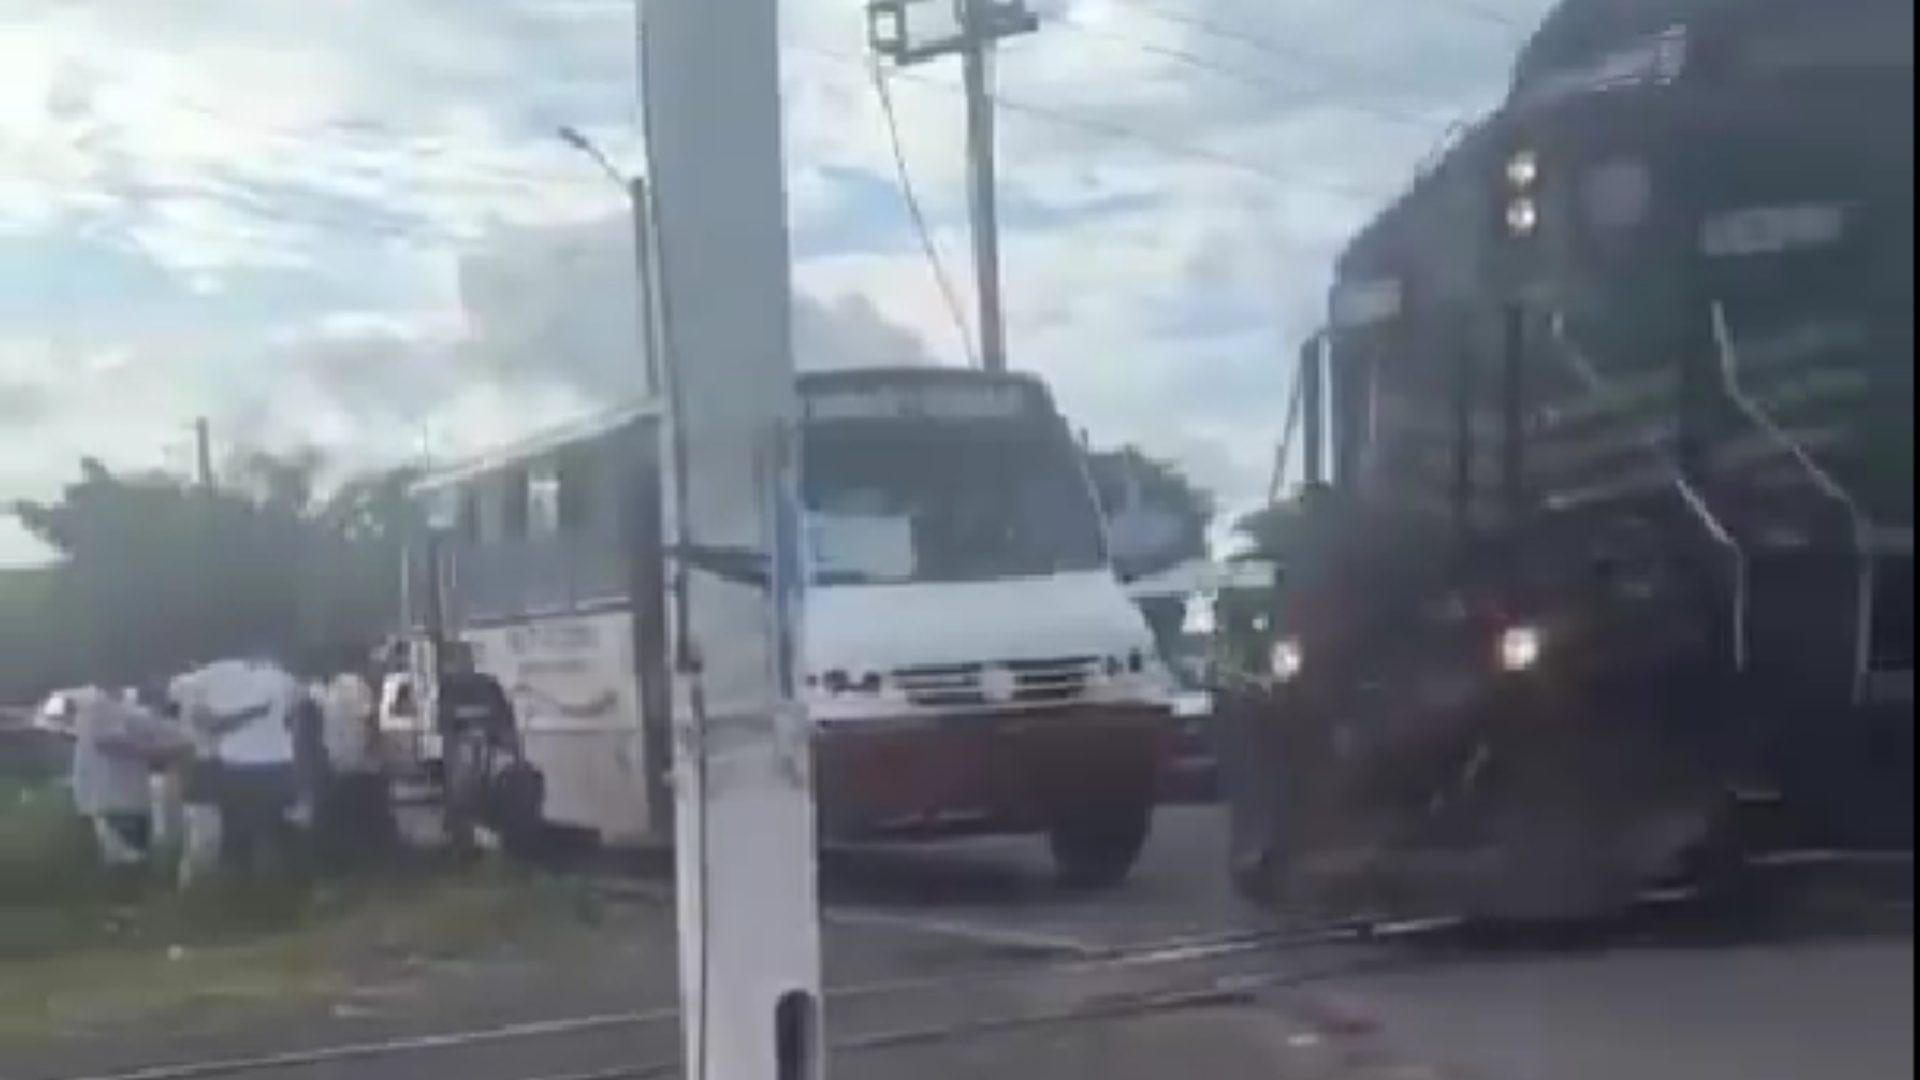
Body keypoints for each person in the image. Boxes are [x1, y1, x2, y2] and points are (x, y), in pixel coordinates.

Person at [170, 654, 308, 879]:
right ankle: (203, 888)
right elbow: (212, 724)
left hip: (221, 766)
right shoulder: (196, 693)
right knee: (207, 837)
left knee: (227, 836)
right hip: (205, 767)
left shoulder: (214, 688)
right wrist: (253, 712)